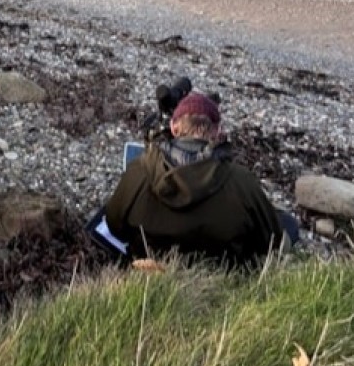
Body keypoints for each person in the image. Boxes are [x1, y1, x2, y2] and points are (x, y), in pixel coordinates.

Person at [104, 90, 289, 269]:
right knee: (287, 223)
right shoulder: (242, 181)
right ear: (217, 131)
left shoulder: (139, 171)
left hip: (150, 274)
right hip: (221, 280)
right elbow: (273, 243)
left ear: (174, 127)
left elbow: (114, 225)